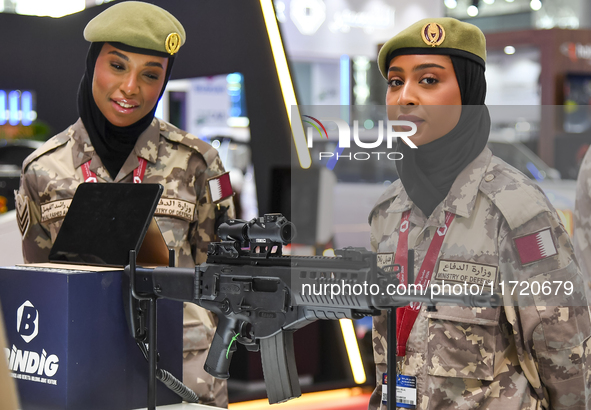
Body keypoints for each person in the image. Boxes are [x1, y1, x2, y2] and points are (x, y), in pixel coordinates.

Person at [14, 2, 234, 407]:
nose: (131, 87)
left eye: (150, 74)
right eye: (117, 66)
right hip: (80, 371)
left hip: (182, 375)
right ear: (92, 63)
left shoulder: (198, 163)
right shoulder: (42, 169)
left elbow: (222, 283)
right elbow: (42, 289)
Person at [368, 17, 591, 409]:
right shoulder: (388, 212)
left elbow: (570, 370)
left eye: (429, 80)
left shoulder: (517, 214)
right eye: (395, 81)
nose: (405, 97)